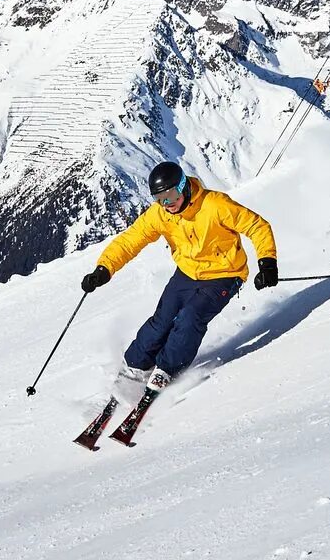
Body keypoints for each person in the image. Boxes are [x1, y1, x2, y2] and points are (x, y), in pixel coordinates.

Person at [80, 161, 278, 405]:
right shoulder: (161, 214)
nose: (167, 203)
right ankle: (134, 366)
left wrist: (267, 262)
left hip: (224, 274)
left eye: (171, 195)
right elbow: (131, 240)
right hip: (186, 273)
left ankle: (166, 369)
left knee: (190, 318)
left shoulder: (215, 205)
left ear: (183, 187)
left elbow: (256, 226)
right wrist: (104, 268)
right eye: (159, 198)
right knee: (161, 321)